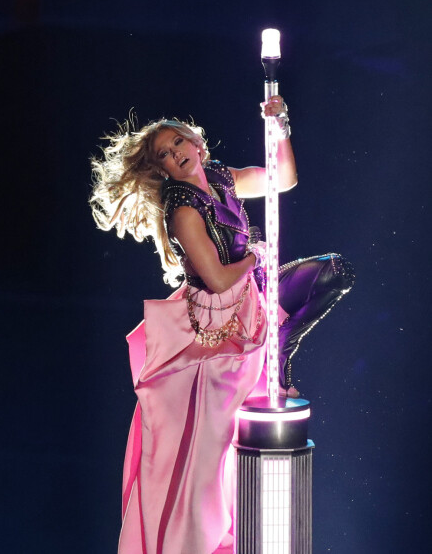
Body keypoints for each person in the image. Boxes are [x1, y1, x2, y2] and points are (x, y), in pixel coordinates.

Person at [90, 98, 354, 554]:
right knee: (206, 465)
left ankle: (279, 343)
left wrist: (279, 124)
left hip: (251, 297)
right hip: (216, 323)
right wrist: (255, 254)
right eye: (165, 156)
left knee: (333, 273)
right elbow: (216, 277)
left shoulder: (220, 178)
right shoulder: (183, 209)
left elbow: (283, 178)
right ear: (164, 170)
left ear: (195, 140)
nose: (176, 153)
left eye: (177, 142)